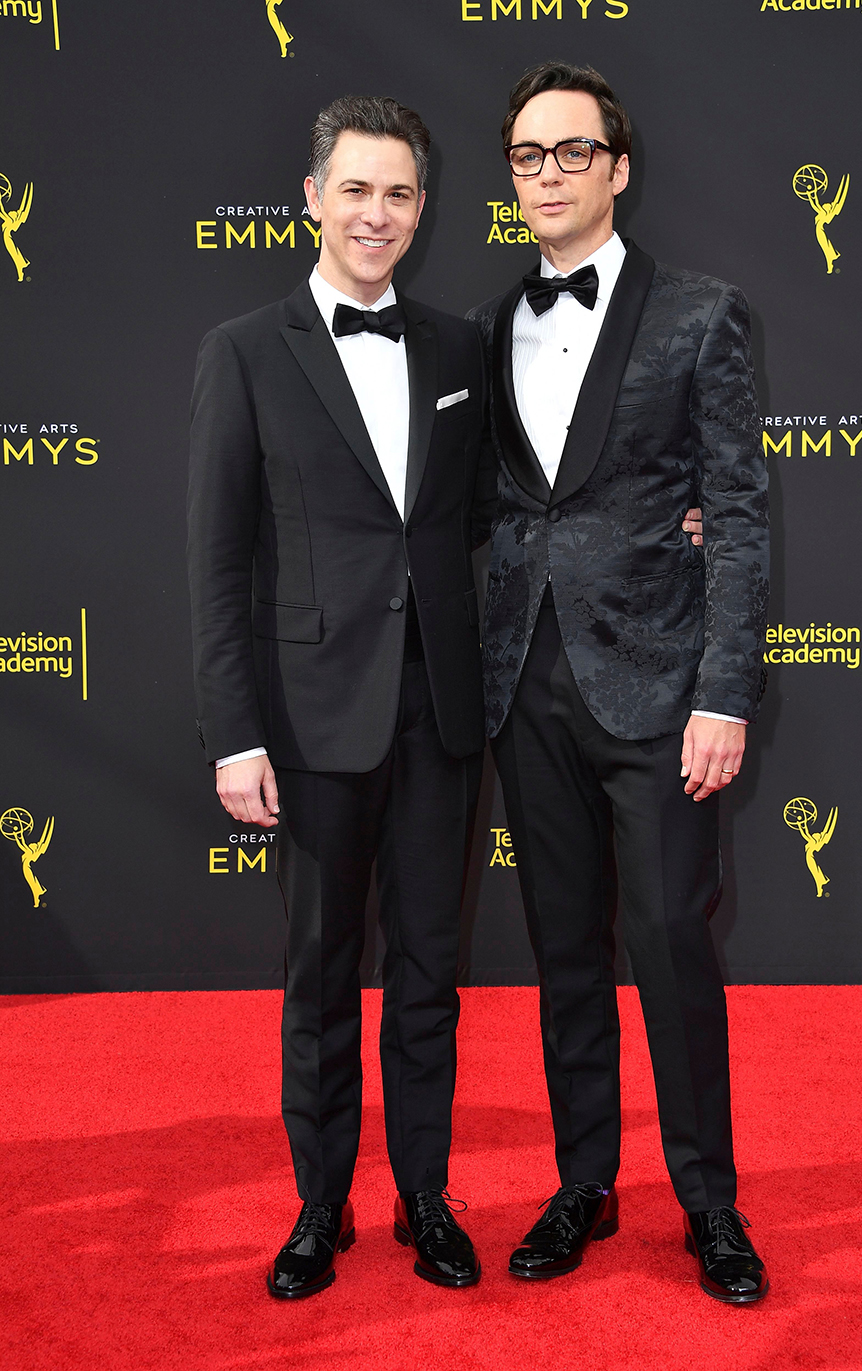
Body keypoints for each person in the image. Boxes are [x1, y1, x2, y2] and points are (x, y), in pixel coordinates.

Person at [468, 62, 770, 1303]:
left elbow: (740, 514)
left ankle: (709, 1205)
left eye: (570, 152)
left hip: (658, 688)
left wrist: (725, 691)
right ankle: (583, 1180)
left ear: (618, 168)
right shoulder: (485, 327)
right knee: (562, 952)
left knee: (668, 946)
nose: (548, 173)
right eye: (528, 155)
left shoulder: (701, 314)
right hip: (521, 686)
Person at [187, 96, 492, 1298]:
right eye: (356, 189)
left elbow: (496, 517)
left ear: (423, 210)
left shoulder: (462, 351)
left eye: (401, 193)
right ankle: (322, 1207)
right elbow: (215, 562)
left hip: (441, 711)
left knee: (430, 968)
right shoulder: (244, 351)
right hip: (310, 718)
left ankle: (425, 1196)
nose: (378, 213)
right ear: (311, 199)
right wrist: (234, 734)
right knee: (320, 971)